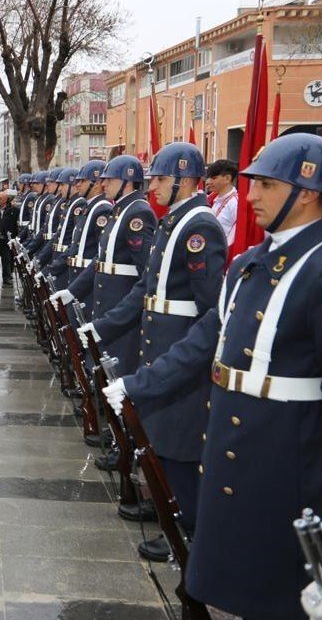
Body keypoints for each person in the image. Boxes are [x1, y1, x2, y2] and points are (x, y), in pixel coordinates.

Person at [103, 133, 322, 620]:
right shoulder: (249, 265)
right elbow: (205, 340)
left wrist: (292, 416)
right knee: (243, 578)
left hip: (290, 451)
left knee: (297, 587)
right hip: (233, 440)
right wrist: (138, 383)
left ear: (306, 192)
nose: (252, 196)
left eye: (265, 184)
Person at [70, 143, 228, 560]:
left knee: (179, 442)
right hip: (160, 340)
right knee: (161, 437)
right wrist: (100, 326)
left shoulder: (200, 227)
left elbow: (212, 307)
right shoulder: (173, 220)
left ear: (184, 180)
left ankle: (188, 529)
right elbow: (146, 288)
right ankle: (169, 508)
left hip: (181, 347)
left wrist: (188, 355)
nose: (151, 186)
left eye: (158, 178)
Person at [61, 155, 157, 375]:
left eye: (109, 179)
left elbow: (146, 272)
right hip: (107, 304)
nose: (103, 184)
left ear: (127, 181)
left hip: (120, 304)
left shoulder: (138, 213)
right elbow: (102, 259)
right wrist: (72, 291)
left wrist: (123, 313)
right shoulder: (121, 210)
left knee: (115, 370)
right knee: (101, 367)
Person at [50, 160, 111, 286]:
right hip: (75, 272)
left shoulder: (102, 209)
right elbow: (75, 245)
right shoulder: (89, 207)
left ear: (96, 184)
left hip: (86, 278)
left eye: (82, 181)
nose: (77, 185)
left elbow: (100, 253)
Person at [205, 159, 238, 244]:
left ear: (227, 178)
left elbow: (237, 235)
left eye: (213, 178)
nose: (208, 181)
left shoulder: (235, 203)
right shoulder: (213, 199)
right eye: (208, 178)